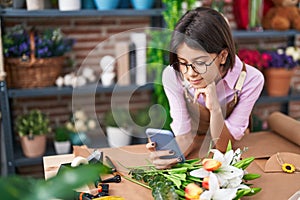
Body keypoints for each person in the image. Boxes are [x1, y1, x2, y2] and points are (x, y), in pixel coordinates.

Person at [146, 7, 264, 169]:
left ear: (223, 56)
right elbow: (185, 135)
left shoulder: (250, 80)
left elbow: (223, 146)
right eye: (183, 63)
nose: (190, 74)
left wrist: (215, 109)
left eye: (200, 63)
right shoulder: (173, 75)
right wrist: (167, 155)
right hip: (195, 145)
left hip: (231, 150)